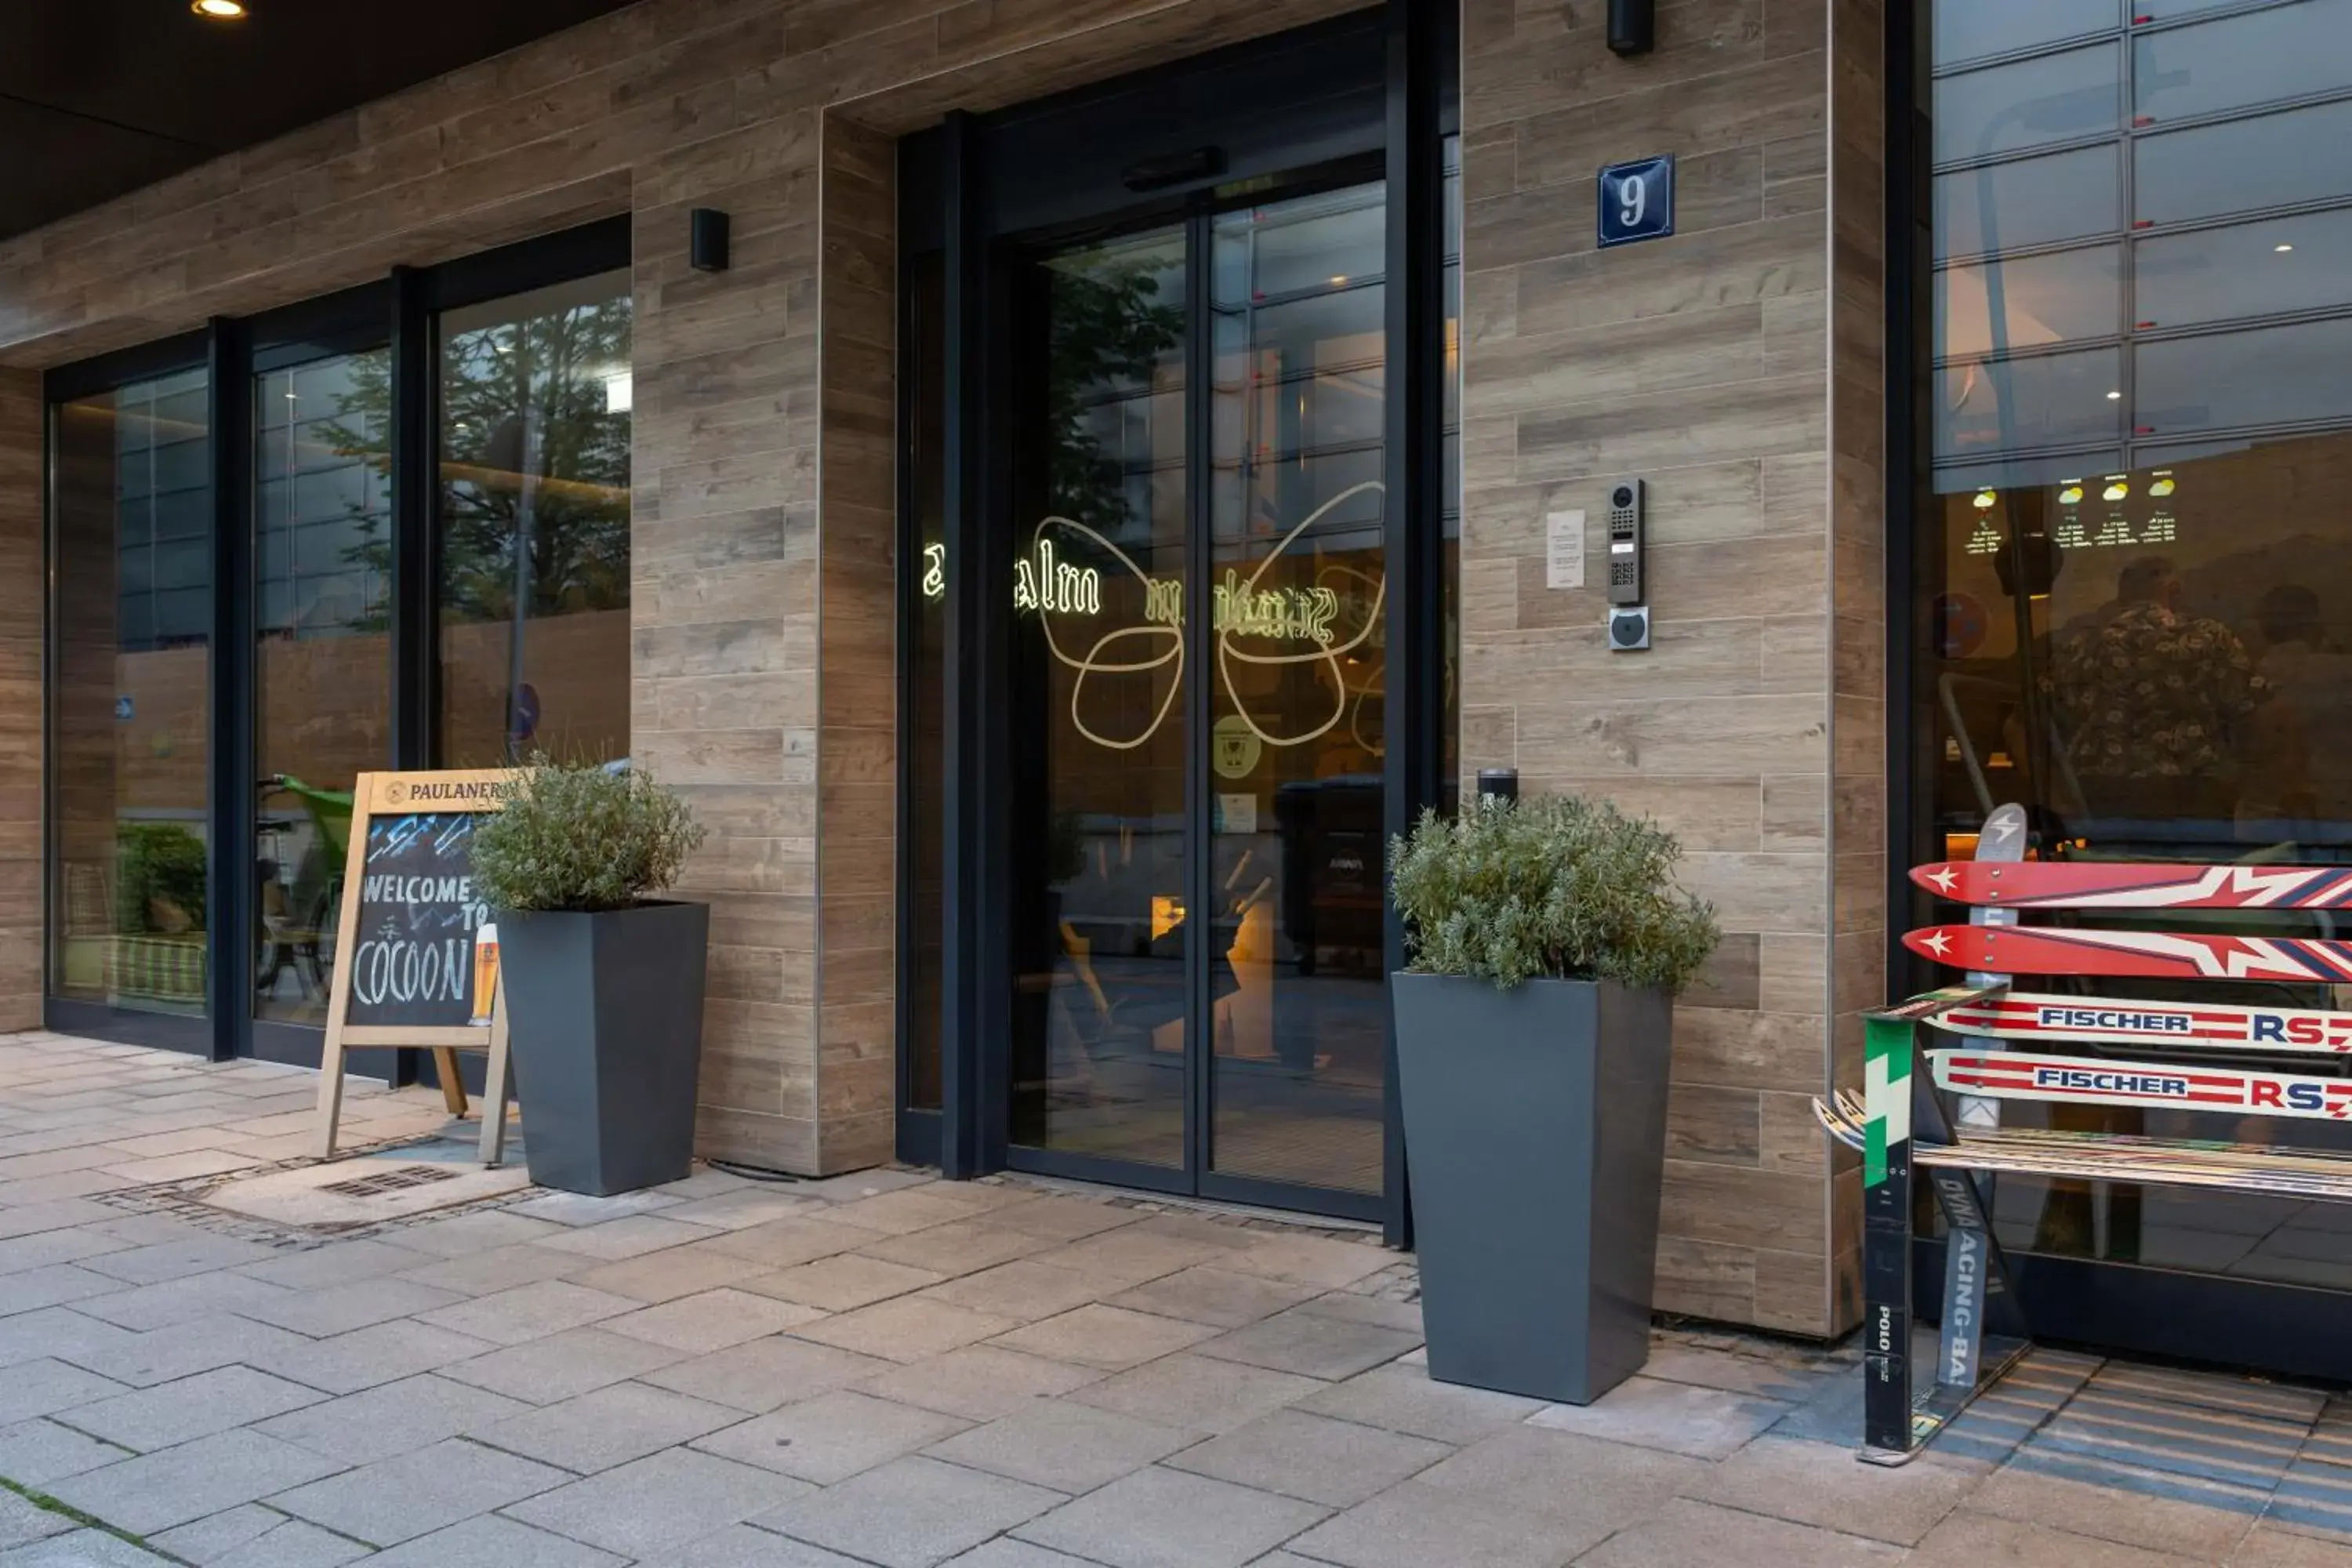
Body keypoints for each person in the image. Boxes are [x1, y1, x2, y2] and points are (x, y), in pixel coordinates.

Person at [2043, 554, 2266, 824]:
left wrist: (2060, 798)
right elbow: (2249, 712)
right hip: (2193, 791)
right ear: (2176, 591)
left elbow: (2030, 721)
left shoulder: (2082, 645)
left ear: (2122, 596)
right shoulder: (2208, 638)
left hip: (2103, 794)